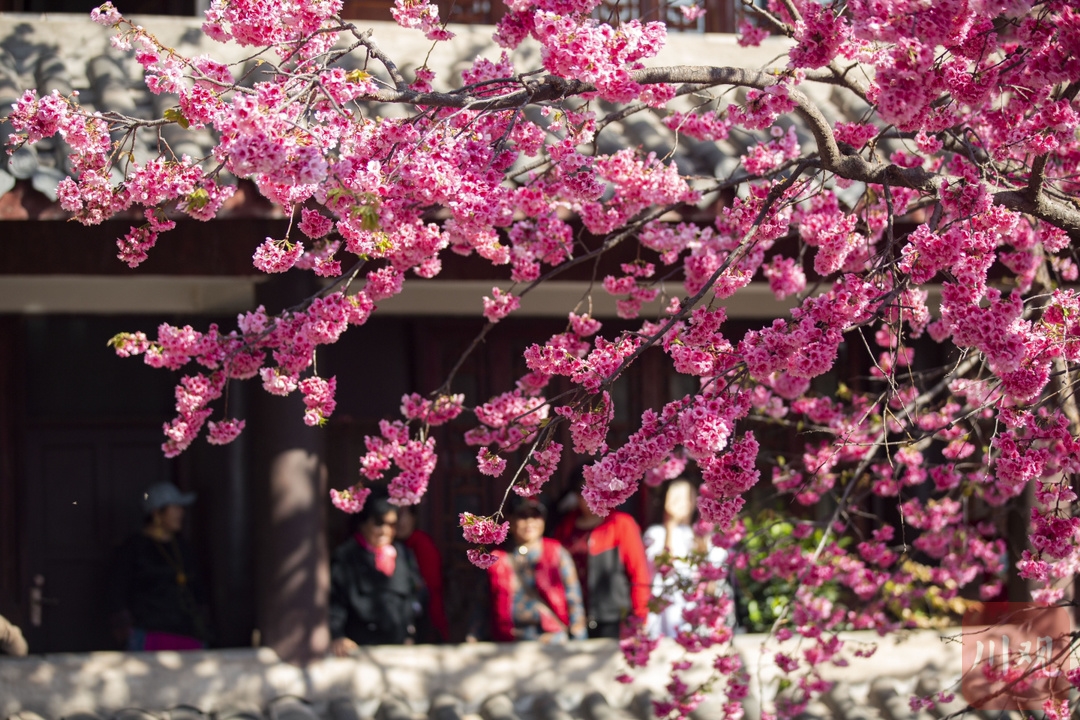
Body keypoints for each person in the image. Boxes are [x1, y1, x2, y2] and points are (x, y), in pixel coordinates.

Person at [109, 482, 210, 651]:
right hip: (147, 633)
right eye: (175, 508)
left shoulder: (182, 547)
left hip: (186, 631)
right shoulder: (133, 549)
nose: (181, 513)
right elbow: (117, 592)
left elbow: (197, 588)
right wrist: (124, 630)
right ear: (157, 513)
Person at [471, 497, 586, 643]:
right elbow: (482, 603)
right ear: (511, 522)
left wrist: (579, 639)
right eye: (523, 516)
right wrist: (474, 636)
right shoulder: (496, 559)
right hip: (509, 642)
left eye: (535, 516)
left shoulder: (557, 553)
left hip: (551, 638)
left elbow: (573, 598)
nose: (529, 522)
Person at [554, 474, 650, 639]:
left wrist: (640, 617)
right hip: (575, 618)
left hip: (613, 618)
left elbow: (638, 572)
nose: (593, 497)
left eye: (599, 490)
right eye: (585, 491)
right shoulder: (566, 527)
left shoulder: (621, 524)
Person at [329, 494, 424, 654]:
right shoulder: (346, 556)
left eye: (392, 525)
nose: (385, 531)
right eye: (379, 524)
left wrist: (410, 633)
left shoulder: (403, 554)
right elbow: (336, 602)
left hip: (398, 648)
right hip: (360, 649)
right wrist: (337, 635)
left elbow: (415, 595)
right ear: (363, 523)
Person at [643, 479, 729, 638]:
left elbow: (713, 581)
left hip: (694, 609)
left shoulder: (703, 536)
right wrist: (670, 524)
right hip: (666, 608)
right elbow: (664, 566)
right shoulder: (656, 534)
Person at [396, 505, 449, 643]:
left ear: (413, 518)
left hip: (426, 615)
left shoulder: (421, 543)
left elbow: (431, 585)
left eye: (403, 515)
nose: (398, 522)